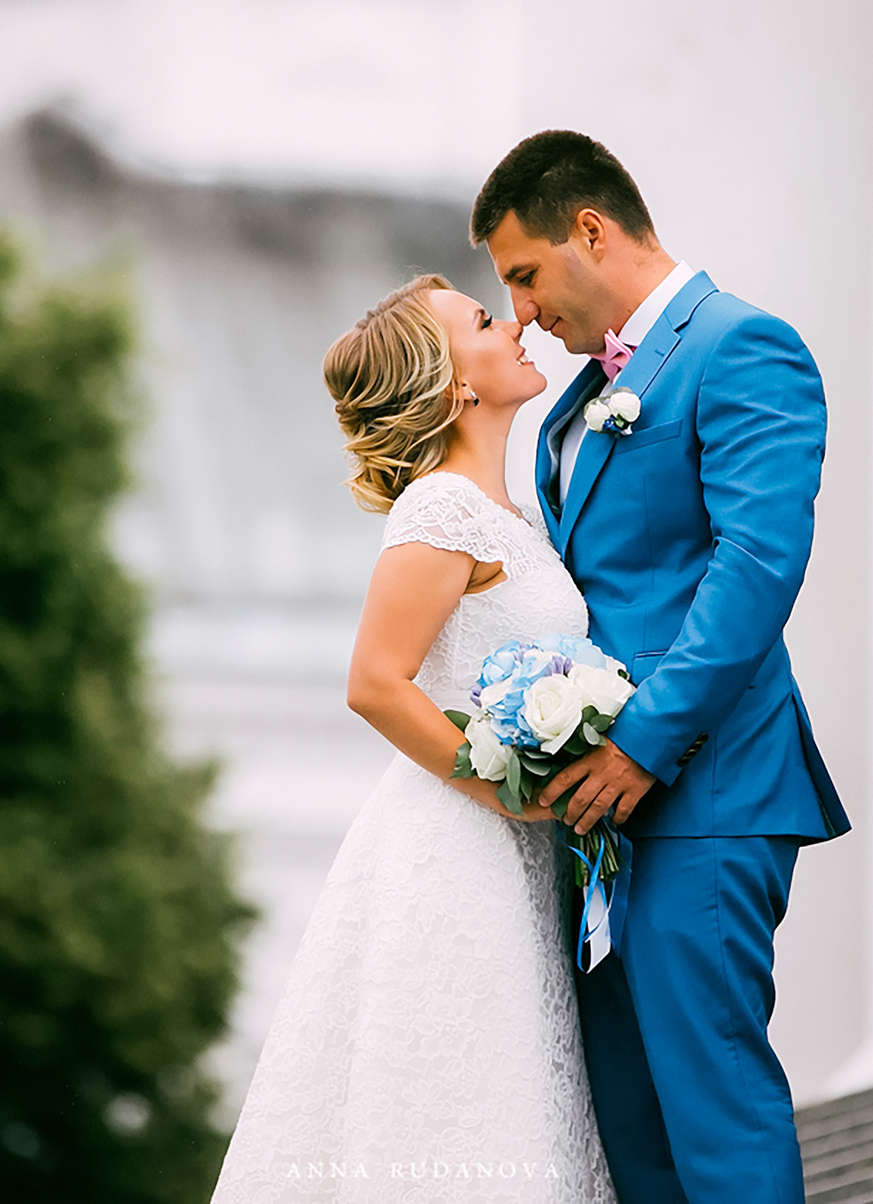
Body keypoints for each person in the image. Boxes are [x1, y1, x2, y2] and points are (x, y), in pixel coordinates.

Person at [471, 130, 851, 1204]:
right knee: (630, 1138)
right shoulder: (571, 408)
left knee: (713, 1114)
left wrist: (642, 739)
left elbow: (756, 562)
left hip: (708, 787)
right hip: (602, 816)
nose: (524, 310)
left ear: (589, 229)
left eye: (526, 274)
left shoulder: (741, 347)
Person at [211, 275, 617, 1202]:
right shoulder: (439, 510)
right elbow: (375, 683)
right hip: (460, 851)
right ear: (451, 385)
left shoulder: (517, 515)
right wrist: (508, 787)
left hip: (521, 853)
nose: (513, 319)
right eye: (483, 319)